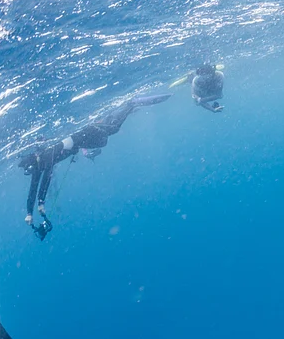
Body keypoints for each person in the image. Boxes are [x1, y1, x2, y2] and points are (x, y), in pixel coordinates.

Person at [19, 93, 171, 236]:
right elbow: (34, 188)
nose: (35, 171)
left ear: (35, 158)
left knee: (112, 130)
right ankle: (120, 112)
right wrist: (30, 212)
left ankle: (130, 104)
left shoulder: (46, 156)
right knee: (107, 135)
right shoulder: (41, 164)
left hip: (83, 135)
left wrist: (39, 204)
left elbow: (45, 179)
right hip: (82, 140)